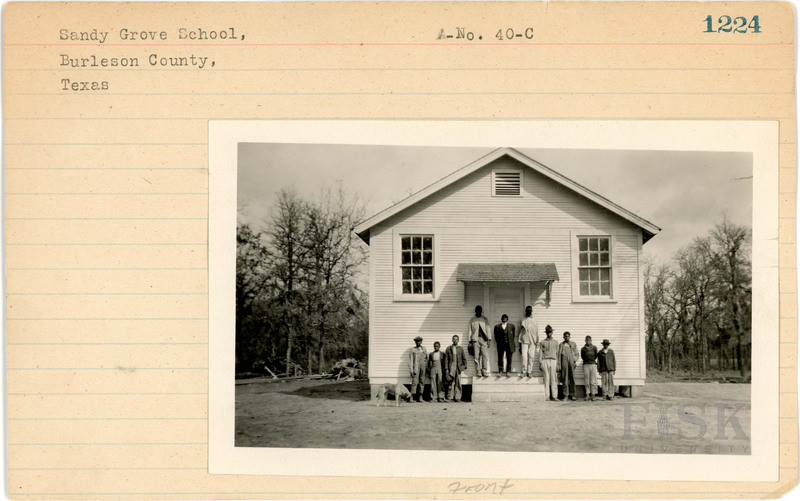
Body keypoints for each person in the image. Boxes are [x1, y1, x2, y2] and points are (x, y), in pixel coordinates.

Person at [468, 305, 492, 377]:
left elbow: (488, 329)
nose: (478, 311)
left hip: (483, 339)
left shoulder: (484, 319)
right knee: (476, 356)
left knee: (484, 355)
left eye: (480, 310)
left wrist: (489, 339)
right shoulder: (472, 320)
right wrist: (469, 341)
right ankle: (478, 371)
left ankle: (484, 370)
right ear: (475, 311)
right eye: (477, 310)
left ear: (481, 311)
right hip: (475, 339)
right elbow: (470, 331)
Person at [444, 335, 468, 402]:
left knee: (458, 382)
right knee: (451, 382)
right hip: (451, 367)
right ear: (452, 340)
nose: (455, 340)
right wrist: (446, 369)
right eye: (454, 339)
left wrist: (464, 367)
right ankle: (450, 397)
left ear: (458, 340)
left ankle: (458, 397)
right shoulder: (448, 348)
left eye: (456, 339)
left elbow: (464, 358)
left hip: (458, 367)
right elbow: (446, 360)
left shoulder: (460, 348)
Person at [517, 305, 538, 378]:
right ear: (525, 311)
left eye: (530, 310)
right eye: (527, 310)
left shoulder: (535, 320)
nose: (529, 312)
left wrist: (537, 341)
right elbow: (519, 331)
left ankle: (530, 371)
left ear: (532, 311)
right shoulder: (522, 319)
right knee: (524, 357)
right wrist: (519, 343)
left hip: (532, 341)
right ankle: (524, 371)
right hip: (524, 341)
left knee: (531, 356)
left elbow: (536, 331)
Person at [539, 325, 559, 401]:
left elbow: (557, 354)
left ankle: (554, 396)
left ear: (552, 332)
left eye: (550, 332)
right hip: (545, 361)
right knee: (546, 379)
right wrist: (540, 363)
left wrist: (558, 364)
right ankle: (547, 396)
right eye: (547, 332)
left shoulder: (555, 342)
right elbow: (540, 353)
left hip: (553, 361)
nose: (549, 334)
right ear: (546, 333)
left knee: (553, 379)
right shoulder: (542, 342)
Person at [557, 331, 578, 401]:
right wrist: (559, 365)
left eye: (568, 336)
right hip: (564, 362)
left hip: (571, 362)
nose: (566, 338)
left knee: (572, 378)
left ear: (569, 337)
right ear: (563, 337)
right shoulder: (561, 345)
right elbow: (559, 356)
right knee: (564, 379)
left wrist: (574, 360)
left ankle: (573, 395)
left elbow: (577, 353)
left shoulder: (573, 344)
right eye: (565, 336)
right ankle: (566, 395)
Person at [409, 335, 428, 402]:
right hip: (416, 368)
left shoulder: (424, 349)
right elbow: (411, 361)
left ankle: (420, 397)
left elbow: (426, 358)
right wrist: (411, 370)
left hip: (423, 368)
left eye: (419, 341)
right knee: (414, 382)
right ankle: (411, 397)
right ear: (415, 342)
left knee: (422, 381)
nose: (418, 343)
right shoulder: (412, 350)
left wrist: (425, 365)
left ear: (421, 342)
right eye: (417, 341)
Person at [581, 335, 598, 401]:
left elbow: (595, 356)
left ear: (591, 341)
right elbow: (582, 357)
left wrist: (591, 361)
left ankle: (593, 394)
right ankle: (587, 394)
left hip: (592, 364)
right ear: (585, 341)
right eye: (587, 340)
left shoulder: (594, 348)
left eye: (589, 340)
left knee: (593, 380)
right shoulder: (583, 349)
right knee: (586, 380)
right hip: (586, 365)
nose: (588, 341)